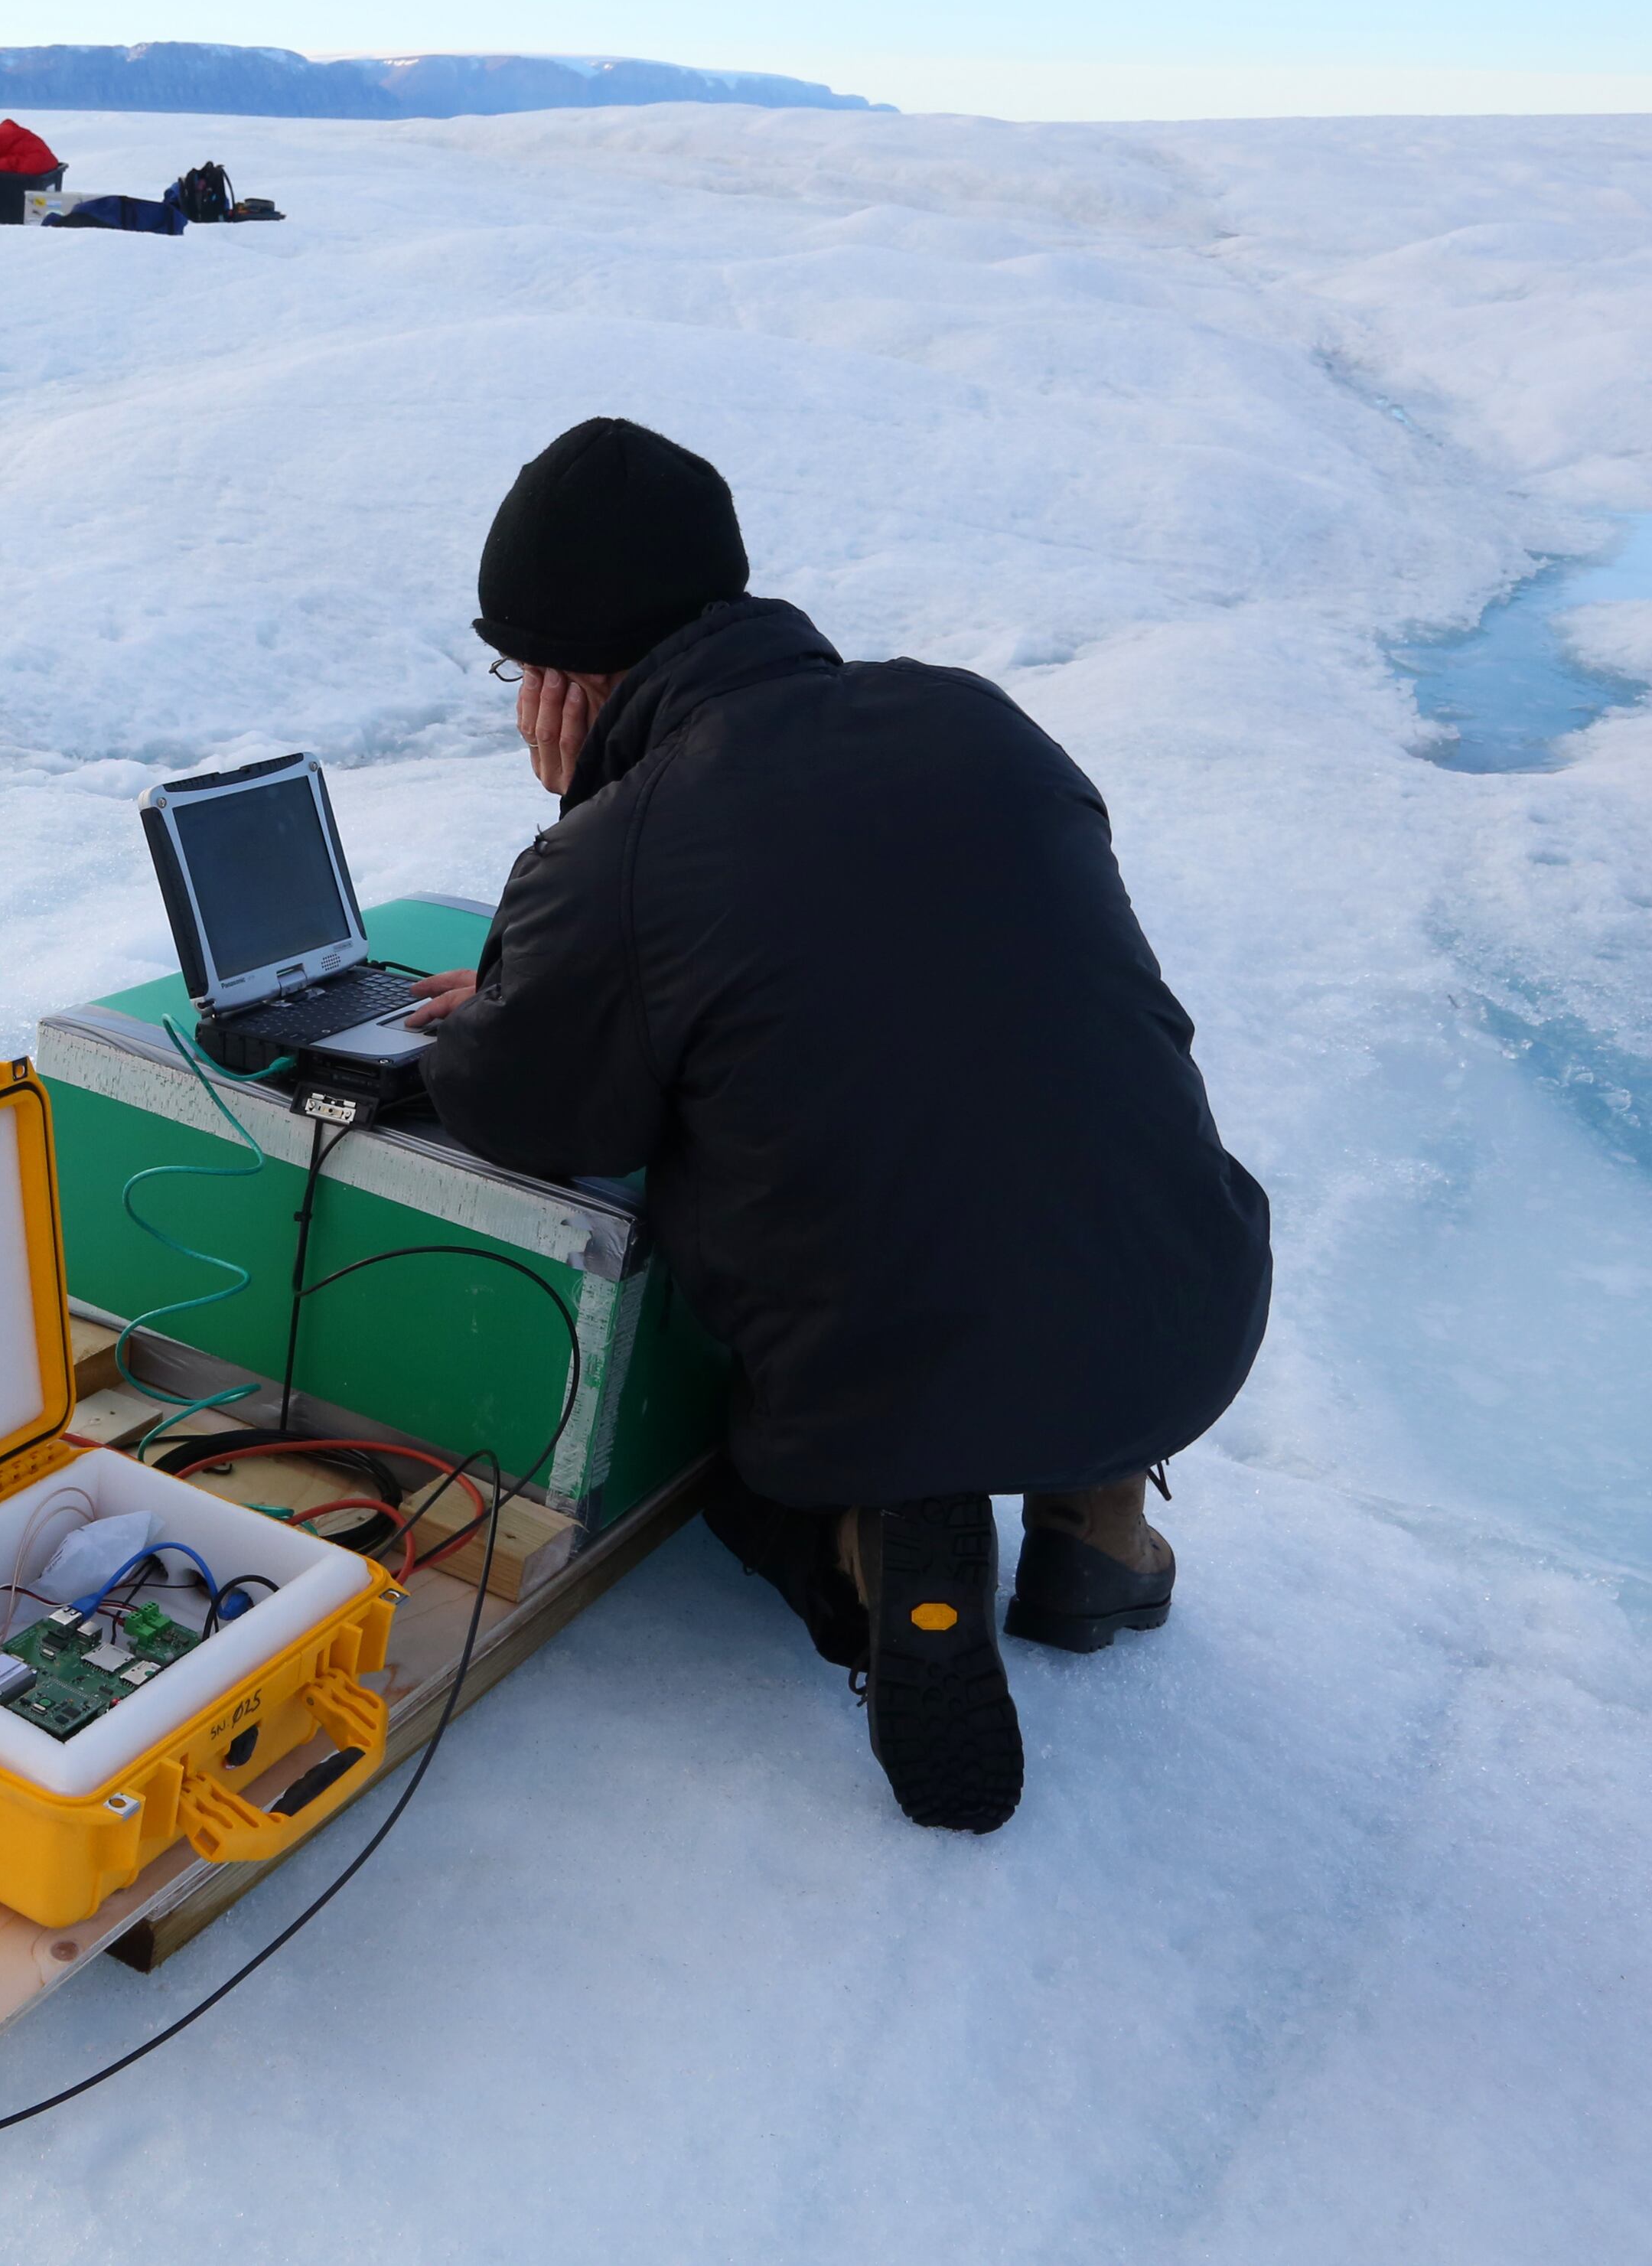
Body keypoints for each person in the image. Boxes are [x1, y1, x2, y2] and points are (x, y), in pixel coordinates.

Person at [405, 417, 1272, 1834]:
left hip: (883, 1384)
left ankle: (878, 1551)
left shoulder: (631, 834)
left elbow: (527, 1108)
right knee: (1022, 1143)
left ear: (566, 678)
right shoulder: (975, 714)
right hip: (1189, 1297)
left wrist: (573, 855)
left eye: (522, 670)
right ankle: (1094, 1534)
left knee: (770, 1426)